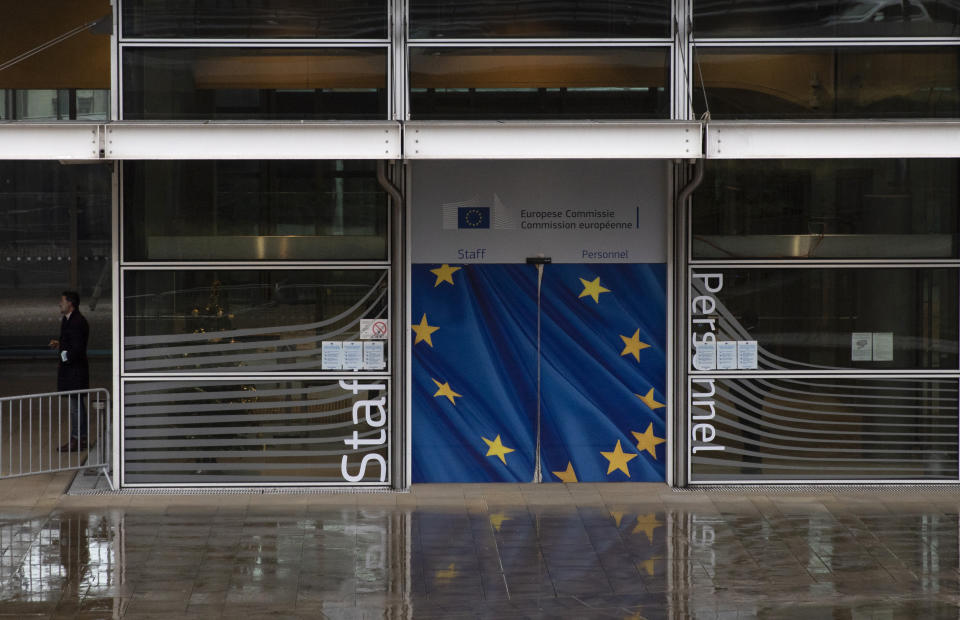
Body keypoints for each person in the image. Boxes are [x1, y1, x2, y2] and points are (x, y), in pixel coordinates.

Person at [48, 291, 89, 452]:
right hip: (73, 369)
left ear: (70, 303)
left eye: (62, 301)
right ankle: (80, 437)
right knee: (77, 405)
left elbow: (76, 348)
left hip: (74, 371)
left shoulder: (77, 322)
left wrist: (64, 356)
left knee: (75, 407)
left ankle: (77, 438)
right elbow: (72, 343)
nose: (60, 303)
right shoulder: (69, 320)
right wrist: (61, 345)